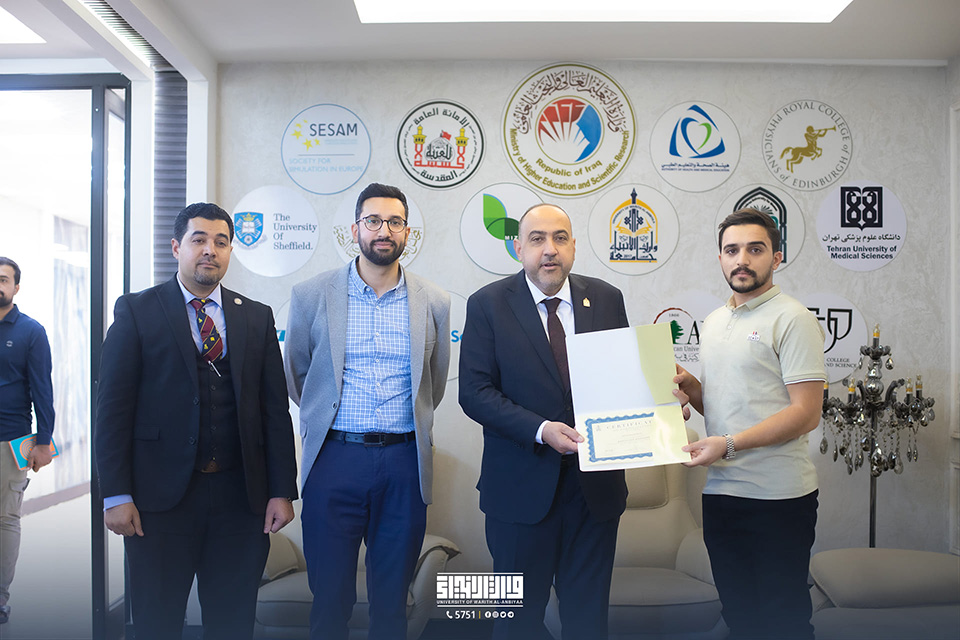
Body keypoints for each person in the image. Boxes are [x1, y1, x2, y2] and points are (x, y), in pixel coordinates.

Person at [95, 203, 298, 640]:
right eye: (199, 239)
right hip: (158, 502)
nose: (210, 250)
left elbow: (274, 412)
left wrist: (281, 490)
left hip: (240, 501)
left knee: (232, 623)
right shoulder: (137, 311)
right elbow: (112, 410)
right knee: (156, 623)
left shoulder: (256, 316)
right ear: (176, 247)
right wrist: (115, 494)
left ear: (230, 252)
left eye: (221, 242)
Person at [284, 182, 450, 640]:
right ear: (355, 228)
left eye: (395, 222)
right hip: (334, 459)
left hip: (404, 463)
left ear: (407, 232)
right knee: (330, 599)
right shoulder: (311, 294)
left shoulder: (434, 300)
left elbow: (432, 384)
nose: (384, 230)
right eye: (373, 220)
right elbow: (298, 375)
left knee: (392, 602)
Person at [458, 204, 629, 640]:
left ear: (573, 246)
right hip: (519, 493)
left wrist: (660, 407)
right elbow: (474, 393)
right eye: (537, 239)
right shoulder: (487, 305)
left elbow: (622, 378)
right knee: (515, 623)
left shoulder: (606, 298)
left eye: (559, 238)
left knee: (588, 622)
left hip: (594, 495)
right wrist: (541, 429)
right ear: (518, 248)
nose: (549, 249)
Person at [675, 208, 826, 640]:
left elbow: (806, 413)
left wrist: (727, 444)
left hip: (778, 498)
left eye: (754, 249)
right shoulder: (714, 321)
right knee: (740, 617)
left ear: (776, 257)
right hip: (722, 495)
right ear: (720, 258)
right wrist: (689, 387)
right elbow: (726, 404)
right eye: (731, 250)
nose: (742, 259)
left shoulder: (793, 318)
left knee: (783, 621)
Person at [0, 257, 55, 625]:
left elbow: (42, 389)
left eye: (3, 279)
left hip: (8, 439)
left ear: (16, 287)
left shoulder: (30, 331)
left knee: (5, 519)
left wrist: (44, 441)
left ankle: (0, 598)